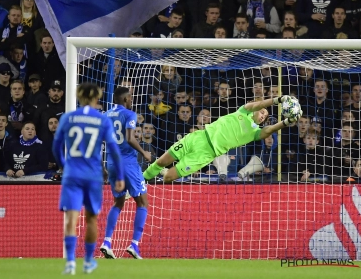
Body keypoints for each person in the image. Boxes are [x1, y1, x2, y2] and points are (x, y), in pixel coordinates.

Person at [143, 95, 303, 183]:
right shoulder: (243, 111)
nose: (263, 116)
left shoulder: (256, 132)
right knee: (162, 161)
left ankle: (150, 179)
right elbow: (257, 104)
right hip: (198, 137)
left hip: (206, 155)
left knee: (169, 177)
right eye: (262, 112)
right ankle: (140, 182)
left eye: (265, 116)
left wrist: (287, 122)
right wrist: (279, 99)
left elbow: (270, 129)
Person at [52, 83, 124, 274]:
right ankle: (88, 261)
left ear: (79, 96)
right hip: (93, 176)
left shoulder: (68, 117)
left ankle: (69, 262)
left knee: (71, 219)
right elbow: (114, 150)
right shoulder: (102, 120)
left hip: (72, 174)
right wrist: (120, 174)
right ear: (96, 98)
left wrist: (64, 165)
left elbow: (56, 146)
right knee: (92, 219)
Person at [100, 87, 151, 260]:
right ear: (126, 99)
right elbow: (130, 138)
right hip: (128, 163)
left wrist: (102, 168)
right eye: (131, 98)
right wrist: (144, 153)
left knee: (118, 202)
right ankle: (134, 245)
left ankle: (107, 242)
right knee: (142, 202)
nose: (132, 101)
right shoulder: (130, 114)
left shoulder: (105, 115)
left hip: (112, 164)